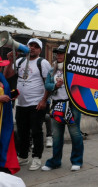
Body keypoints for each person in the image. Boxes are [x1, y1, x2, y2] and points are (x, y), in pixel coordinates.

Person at [4, 38, 51, 171]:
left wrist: (43, 101)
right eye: (31, 45)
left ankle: (37, 157)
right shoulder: (20, 61)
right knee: (22, 132)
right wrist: (11, 61)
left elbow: (48, 83)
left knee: (36, 131)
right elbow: (7, 75)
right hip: (21, 103)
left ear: (40, 50)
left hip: (36, 103)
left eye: (36, 46)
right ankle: (23, 156)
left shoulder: (43, 63)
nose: (33, 48)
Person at [41, 44, 84, 171]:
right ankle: (55, 161)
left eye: (61, 53)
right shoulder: (52, 69)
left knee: (75, 134)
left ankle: (77, 161)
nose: (58, 55)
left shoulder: (75, 69)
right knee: (57, 135)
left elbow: (81, 86)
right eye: (57, 53)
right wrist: (56, 85)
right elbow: (47, 85)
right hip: (56, 104)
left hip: (72, 105)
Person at [0, 57, 20, 174]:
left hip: (4, 116)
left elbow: (4, 90)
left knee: (5, 139)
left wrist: (10, 94)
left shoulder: (1, 75)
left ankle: (3, 165)